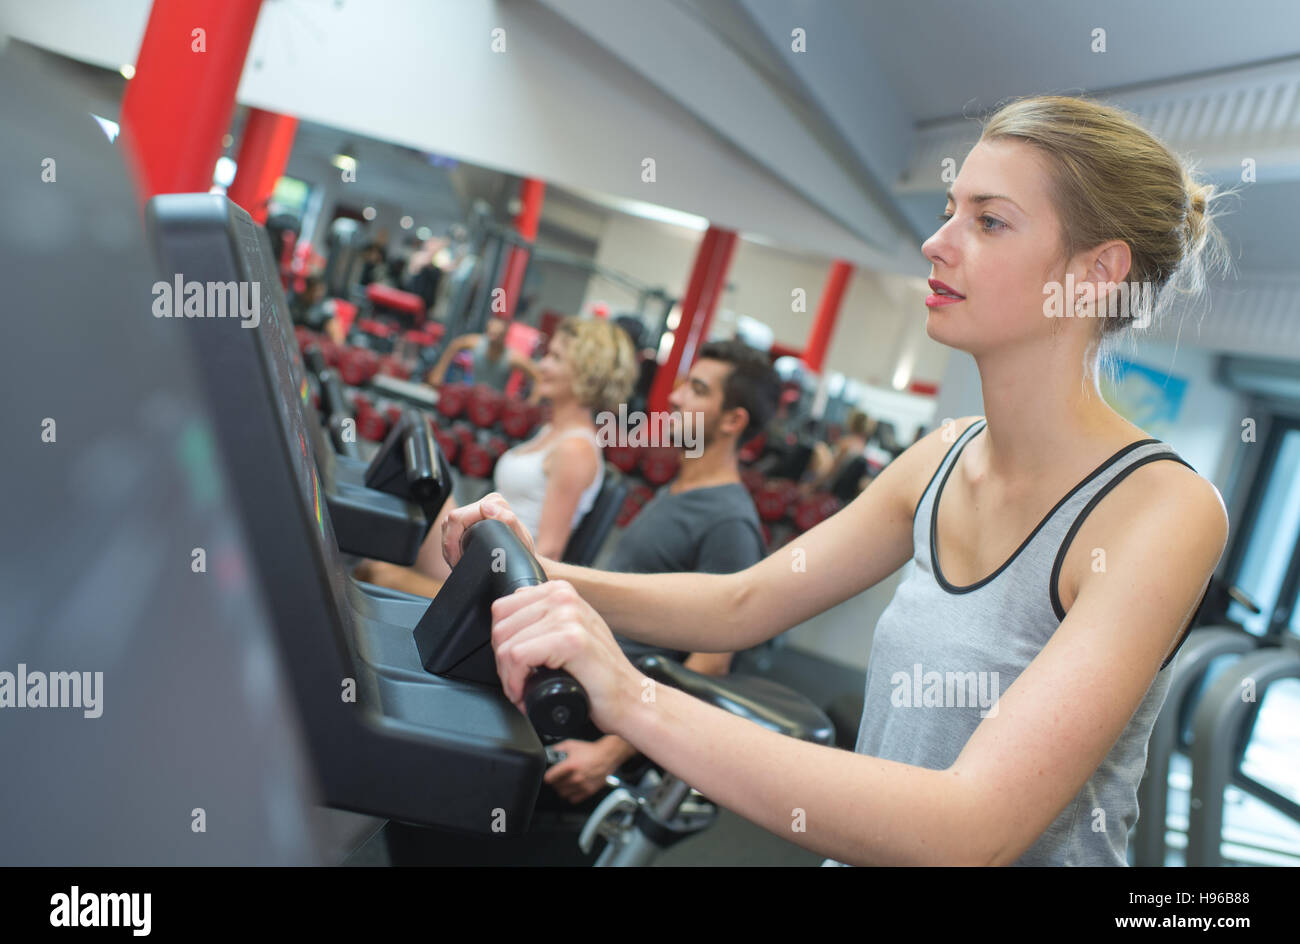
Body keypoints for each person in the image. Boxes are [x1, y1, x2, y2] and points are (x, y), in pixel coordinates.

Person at [438, 94, 1232, 866]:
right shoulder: (943, 457)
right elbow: (743, 603)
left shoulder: (1162, 510)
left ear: (1097, 273)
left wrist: (628, 696)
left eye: (988, 221)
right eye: (950, 209)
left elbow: (970, 831)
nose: (937, 242)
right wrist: (536, 572)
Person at [540, 339, 780, 806]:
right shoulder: (678, 488)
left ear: (733, 421)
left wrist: (606, 755)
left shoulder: (730, 523)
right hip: (575, 684)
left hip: (599, 727)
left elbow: (707, 670)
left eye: (697, 390)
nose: (674, 396)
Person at [356, 316, 637, 594]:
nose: (542, 366)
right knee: (410, 474)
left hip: (493, 578)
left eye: (556, 358)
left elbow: (547, 555)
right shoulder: (550, 431)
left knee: (377, 570)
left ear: (585, 373)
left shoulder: (575, 449)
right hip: (477, 551)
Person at [425, 314, 537, 392]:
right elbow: (455, 345)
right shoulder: (477, 343)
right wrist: (438, 373)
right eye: (491, 334)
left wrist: (532, 403)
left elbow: (538, 377)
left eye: (498, 335)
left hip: (494, 405)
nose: (493, 339)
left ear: (504, 336)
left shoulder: (512, 357)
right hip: (472, 396)